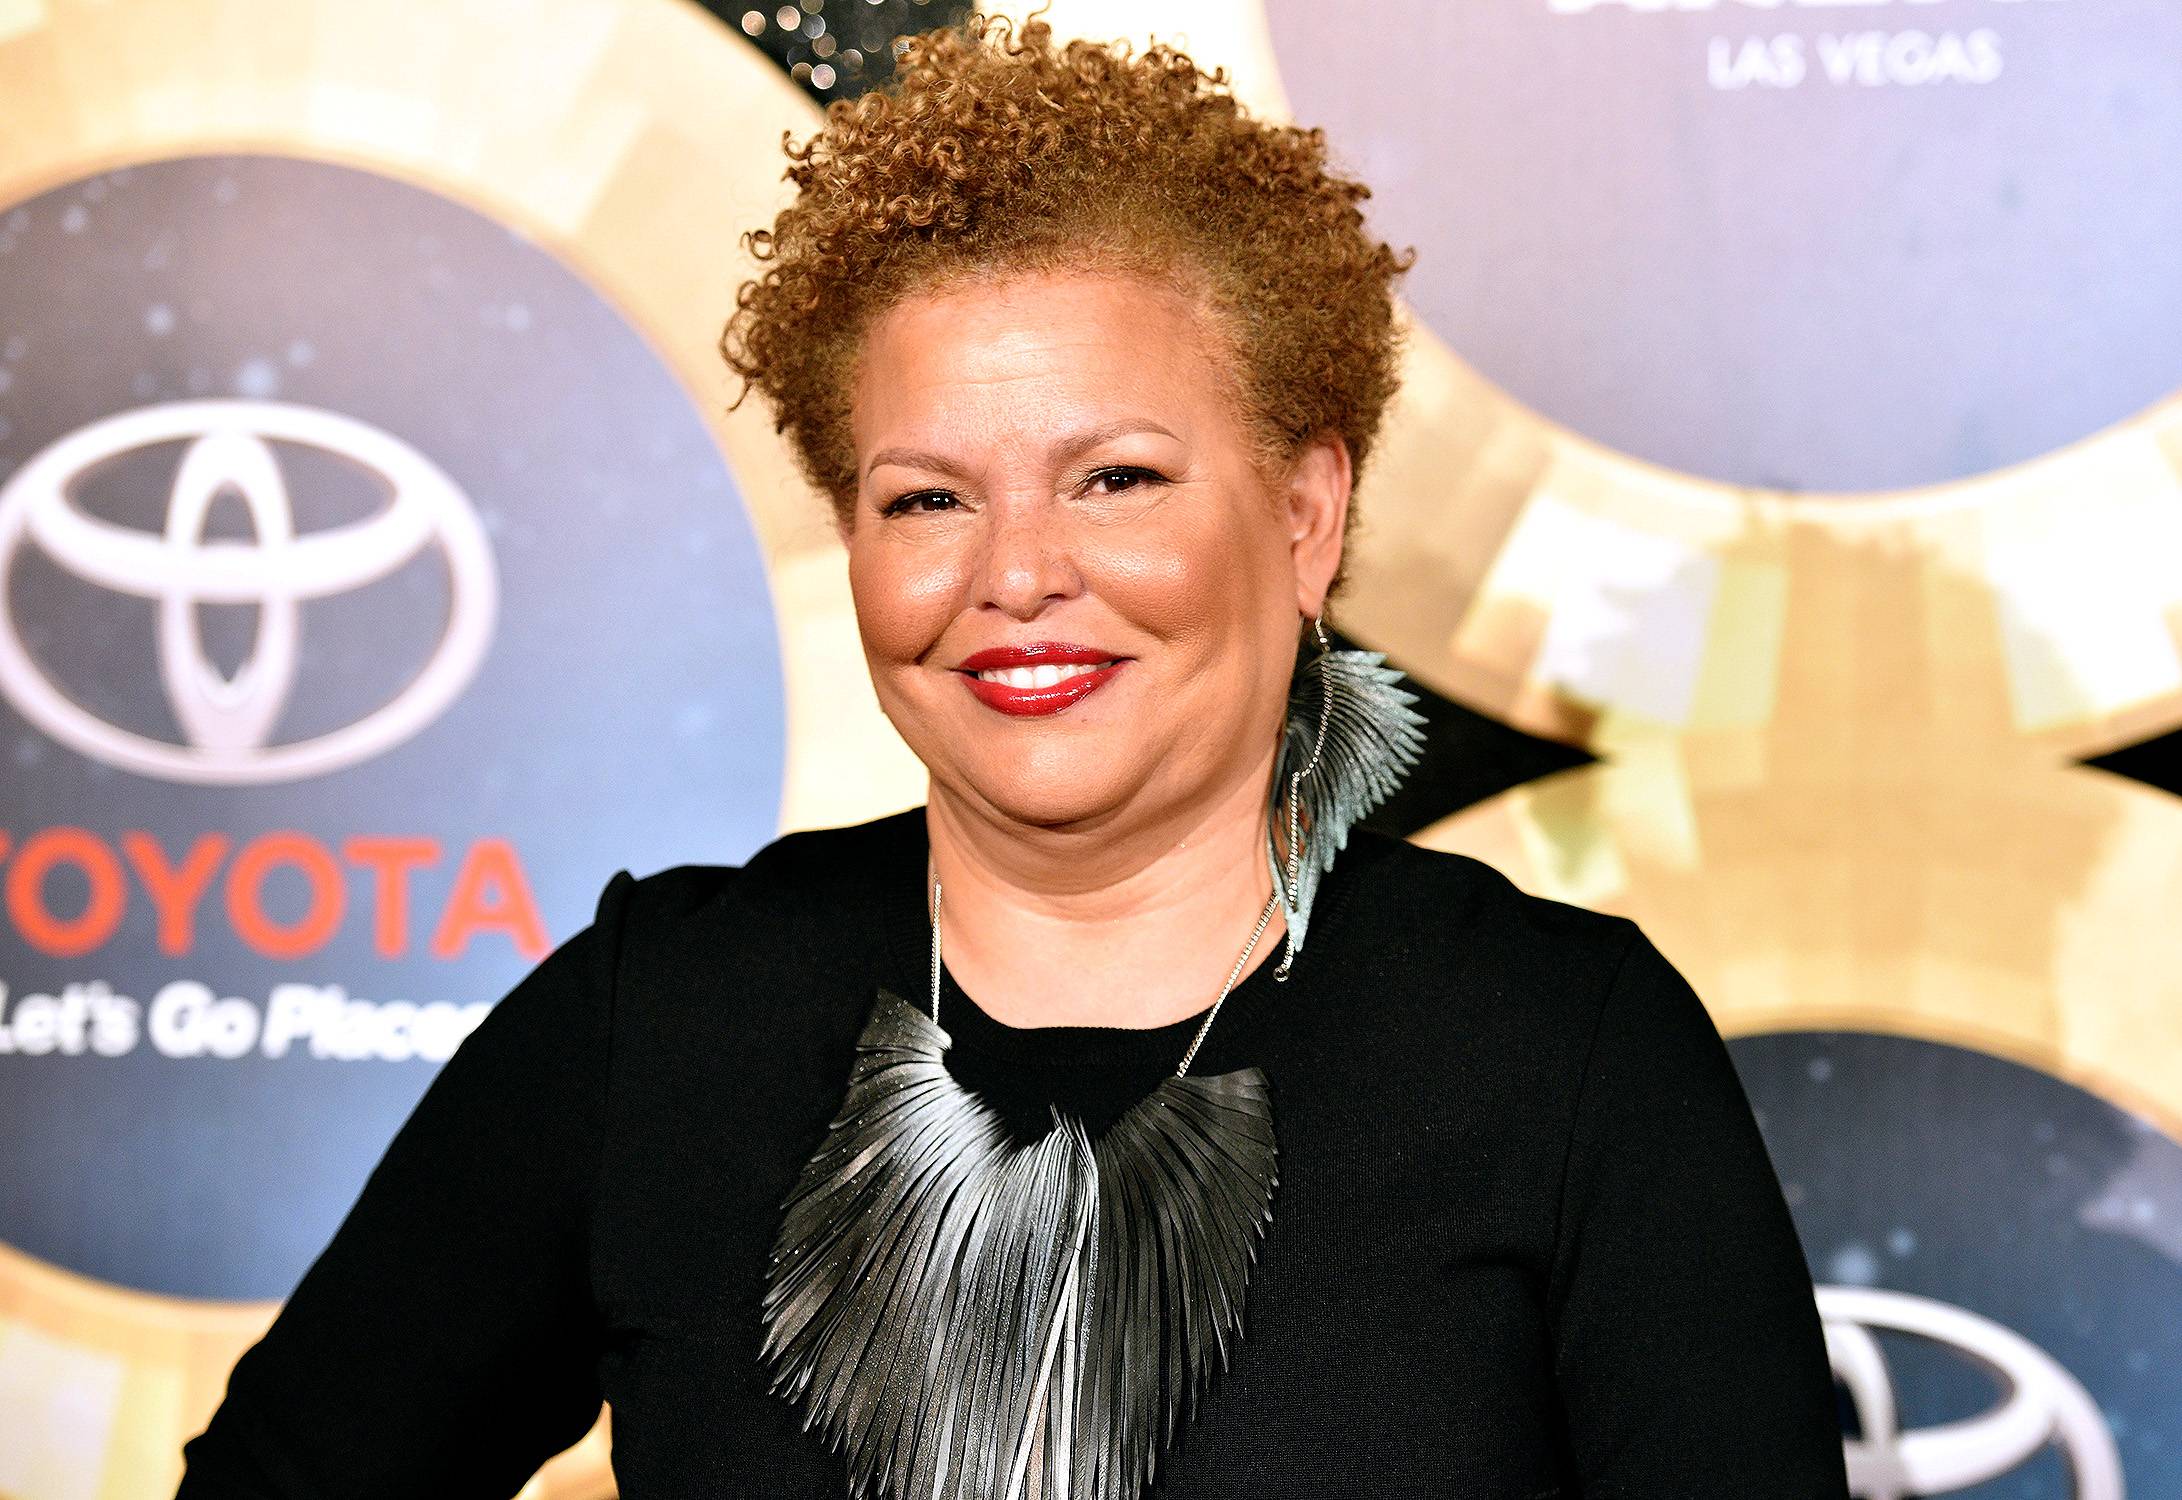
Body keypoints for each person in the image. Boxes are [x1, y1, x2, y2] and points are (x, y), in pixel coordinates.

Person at [176, 16, 1848, 1499]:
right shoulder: (657, 1025)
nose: (1016, 572)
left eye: (1114, 478)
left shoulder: (1559, 1052)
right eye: (926, 498)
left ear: (1302, 513)